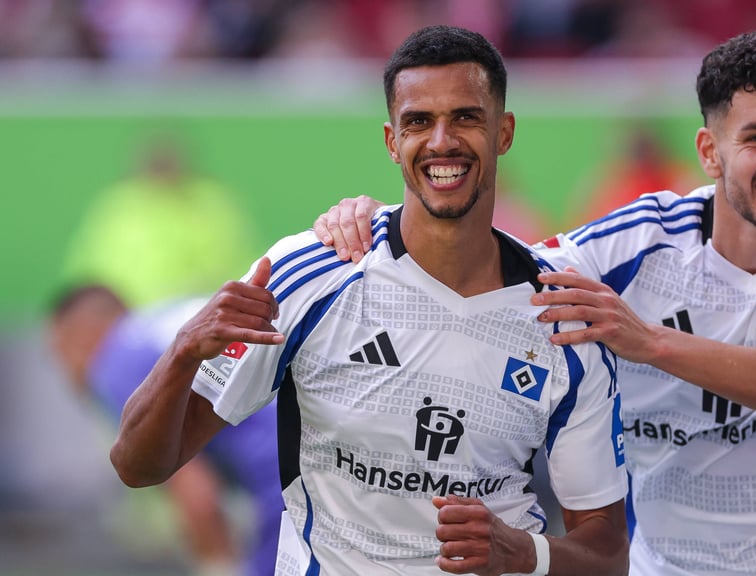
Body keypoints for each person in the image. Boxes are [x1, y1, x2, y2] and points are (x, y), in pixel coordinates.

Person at [314, 28, 756, 576]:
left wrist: (648, 342)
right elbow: (490, 268)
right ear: (710, 153)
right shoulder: (636, 244)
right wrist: (379, 220)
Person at [110, 25, 629, 576]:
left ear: (504, 132)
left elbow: (606, 550)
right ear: (391, 141)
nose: (441, 141)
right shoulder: (307, 274)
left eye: (466, 117)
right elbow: (138, 464)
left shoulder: (565, 312)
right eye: (418, 122)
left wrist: (527, 553)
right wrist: (184, 350)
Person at [48, 285, 282, 576]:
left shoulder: (115, 363)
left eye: (61, 352)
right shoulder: (166, 323)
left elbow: (196, 495)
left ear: (81, 334)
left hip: (285, 475)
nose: (67, 374)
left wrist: (219, 568)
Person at [61, 135, 258, 308]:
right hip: (126, 320)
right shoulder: (118, 203)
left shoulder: (210, 203)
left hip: (191, 315)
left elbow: (231, 262)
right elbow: (89, 264)